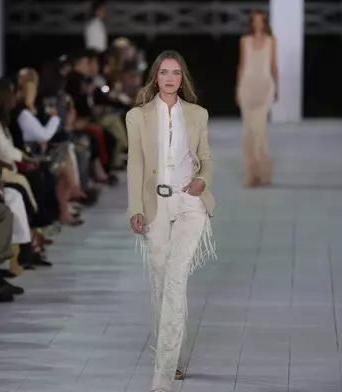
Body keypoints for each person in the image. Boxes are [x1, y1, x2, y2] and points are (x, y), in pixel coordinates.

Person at [125, 50, 216, 392]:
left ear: (182, 78)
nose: (169, 78)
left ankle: (162, 377)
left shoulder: (197, 115)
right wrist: (135, 206)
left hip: (190, 202)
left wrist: (203, 180)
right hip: (155, 205)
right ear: (155, 77)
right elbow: (134, 164)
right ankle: (173, 357)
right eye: (164, 72)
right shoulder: (137, 117)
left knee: (176, 278)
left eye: (176, 72)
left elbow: (206, 159)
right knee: (161, 284)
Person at [236, 9, 278, 187]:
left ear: (265, 22)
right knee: (248, 133)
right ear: (252, 23)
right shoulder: (244, 41)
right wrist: (237, 88)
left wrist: (277, 88)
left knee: (260, 133)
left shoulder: (271, 41)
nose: (258, 24)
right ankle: (251, 175)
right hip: (247, 86)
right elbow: (242, 65)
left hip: (264, 87)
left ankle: (263, 174)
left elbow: (274, 66)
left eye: (261, 20)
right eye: (255, 21)